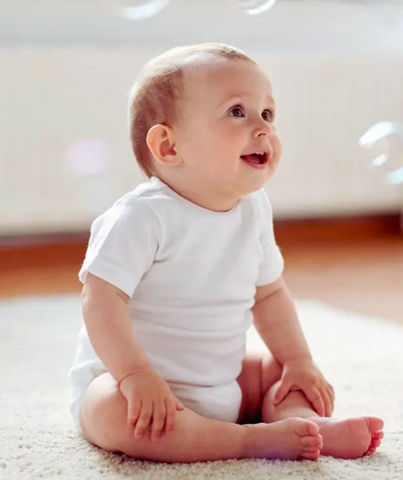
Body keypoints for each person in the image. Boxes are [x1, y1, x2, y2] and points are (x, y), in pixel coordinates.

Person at [69, 43, 384, 463]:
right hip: (139, 391)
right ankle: (249, 442)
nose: (264, 128)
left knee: (279, 371)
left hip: (223, 381)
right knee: (109, 410)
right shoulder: (142, 216)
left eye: (268, 114)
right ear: (168, 146)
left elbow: (269, 295)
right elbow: (100, 299)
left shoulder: (253, 210)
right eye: (238, 111)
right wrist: (134, 375)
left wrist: (298, 359)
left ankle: (307, 424)